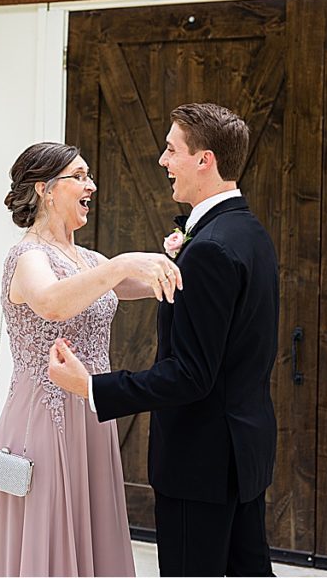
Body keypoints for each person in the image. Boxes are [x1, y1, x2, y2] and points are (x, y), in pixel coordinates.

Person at [48, 103, 279, 577]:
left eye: (172, 149)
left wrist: (91, 387)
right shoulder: (248, 232)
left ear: (204, 160)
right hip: (242, 451)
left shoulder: (210, 249)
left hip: (203, 462)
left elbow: (191, 375)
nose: (162, 160)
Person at [0, 142, 181, 577]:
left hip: (92, 410)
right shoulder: (27, 256)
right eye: (79, 176)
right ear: (46, 190)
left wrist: (180, 261)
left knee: (91, 523)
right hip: (43, 415)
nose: (91, 184)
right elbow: (52, 303)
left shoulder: (88, 259)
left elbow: (137, 285)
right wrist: (124, 262)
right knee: (48, 523)